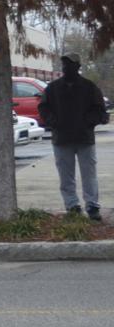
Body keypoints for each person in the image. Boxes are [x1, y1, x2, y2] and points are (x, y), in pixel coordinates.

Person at [39, 52, 110, 221]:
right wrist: (53, 122)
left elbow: (99, 109)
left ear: (78, 67)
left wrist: (87, 122)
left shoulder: (89, 87)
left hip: (85, 138)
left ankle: (92, 206)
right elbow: (43, 108)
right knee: (66, 176)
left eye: (70, 64)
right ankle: (72, 205)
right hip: (61, 139)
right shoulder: (53, 88)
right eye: (64, 64)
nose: (66, 67)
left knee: (89, 175)